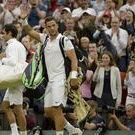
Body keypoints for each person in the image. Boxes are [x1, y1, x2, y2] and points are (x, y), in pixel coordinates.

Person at [20, 7, 82, 135]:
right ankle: (72, 129)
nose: (52, 28)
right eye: (49, 26)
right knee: (48, 111)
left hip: (60, 79)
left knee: (57, 109)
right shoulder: (45, 39)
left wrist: (74, 76)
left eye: (54, 25)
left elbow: (74, 59)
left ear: (57, 26)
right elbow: (29, 31)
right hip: (49, 80)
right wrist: (24, 19)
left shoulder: (64, 40)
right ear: (46, 28)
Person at [1, 24, 27, 135]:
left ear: (9, 33)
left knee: (18, 108)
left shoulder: (12, 46)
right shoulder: (19, 45)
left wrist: (3, 59)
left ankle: (23, 133)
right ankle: (15, 132)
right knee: (5, 105)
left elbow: (13, 62)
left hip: (15, 80)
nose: (3, 35)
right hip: (16, 78)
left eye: (3, 33)